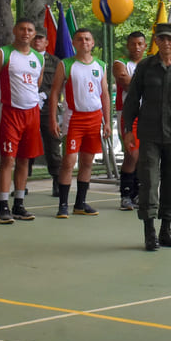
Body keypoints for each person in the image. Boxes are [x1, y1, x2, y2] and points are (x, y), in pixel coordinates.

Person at [121, 22, 171, 251]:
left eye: (170, 39)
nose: (166, 43)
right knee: (148, 181)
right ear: (156, 41)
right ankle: (149, 232)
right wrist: (128, 130)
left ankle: (166, 229)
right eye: (162, 39)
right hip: (150, 134)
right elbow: (132, 100)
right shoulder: (145, 67)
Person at [49, 28, 111, 218]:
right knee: (69, 161)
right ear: (74, 43)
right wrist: (53, 118)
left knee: (87, 161)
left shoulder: (100, 65)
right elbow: (55, 92)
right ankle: (63, 204)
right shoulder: (66, 65)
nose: (84, 42)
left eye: (87, 39)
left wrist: (107, 122)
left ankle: (80, 203)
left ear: (93, 43)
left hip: (94, 118)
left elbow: (105, 94)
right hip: (74, 118)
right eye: (80, 39)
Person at [0, 18, 44, 224]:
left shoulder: (38, 57)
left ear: (34, 34)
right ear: (15, 30)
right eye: (22, 29)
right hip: (9, 112)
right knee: (8, 160)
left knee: (25, 159)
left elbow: (36, 84)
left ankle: (19, 204)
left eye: (30, 30)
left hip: (32, 114)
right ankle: (3, 206)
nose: (26, 32)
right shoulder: (2, 54)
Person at [113, 31, 146, 210]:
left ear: (145, 46)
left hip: (147, 114)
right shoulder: (120, 63)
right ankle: (125, 195)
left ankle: (137, 194)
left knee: (143, 155)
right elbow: (126, 83)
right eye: (133, 44)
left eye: (140, 44)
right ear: (128, 45)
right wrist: (149, 83)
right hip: (128, 114)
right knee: (132, 154)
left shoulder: (150, 63)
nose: (136, 47)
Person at [31, 31, 62, 197]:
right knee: (26, 143)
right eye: (35, 38)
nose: (37, 41)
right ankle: (22, 181)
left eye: (40, 38)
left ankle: (57, 181)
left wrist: (45, 95)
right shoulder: (24, 58)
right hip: (27, 105)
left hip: (48, 108)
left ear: (46, 42)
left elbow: (59, 85)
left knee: (52, 143)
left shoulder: (55, 62)